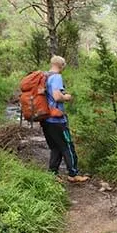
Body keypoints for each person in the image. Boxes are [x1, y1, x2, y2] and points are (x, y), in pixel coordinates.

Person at [41, 55, 88, 183]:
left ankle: (53, 174)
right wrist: (67, 97)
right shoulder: (56, 77)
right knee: (67, 146)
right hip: (57, 120)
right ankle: (73, 173)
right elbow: (57, 96)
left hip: (45, 119)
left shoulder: (45, 76)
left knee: (55, 147)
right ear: (61, 65)